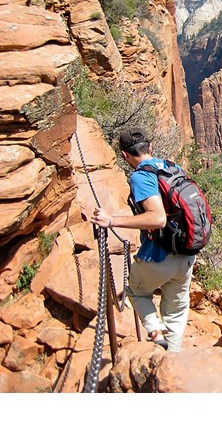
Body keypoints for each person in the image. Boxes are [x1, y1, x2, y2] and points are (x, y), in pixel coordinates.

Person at [90, 127, 196, 352]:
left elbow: (157, 218)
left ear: (125, 155)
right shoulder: (172, 167)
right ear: (150, 147)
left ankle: (157, 335)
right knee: (176, 311)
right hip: (187, 254)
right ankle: (172, 358)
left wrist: (111, 221)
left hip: (159, 256)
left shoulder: (140, 176)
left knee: (135, 291)